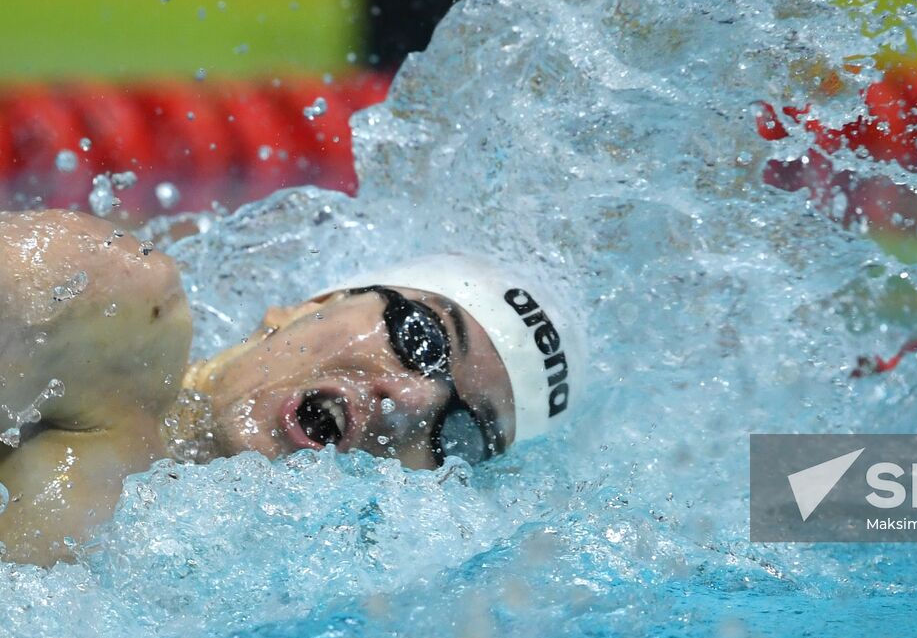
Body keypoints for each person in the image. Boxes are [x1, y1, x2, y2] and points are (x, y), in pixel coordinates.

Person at [0, 209, 580, 565]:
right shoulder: (113, 322)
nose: (417, 400)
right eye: (421, 337)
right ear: (311, 305)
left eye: (461, 435)